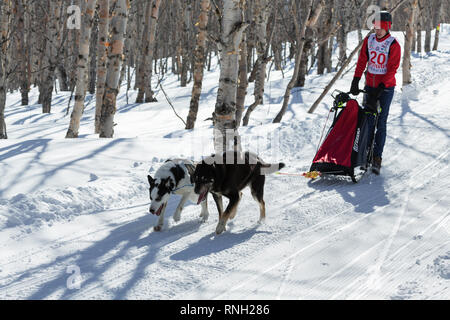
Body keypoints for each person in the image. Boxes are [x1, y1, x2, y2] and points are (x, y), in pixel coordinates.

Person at [350, 11, 401, 175]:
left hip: (385, 89)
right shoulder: (369, 40)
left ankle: (377, 158)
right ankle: (364, 154)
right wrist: (356, 79)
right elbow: (362, 60)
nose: (377, 30)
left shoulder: (393, 44)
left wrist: (381, 86)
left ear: (387, 27)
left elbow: (392, 68)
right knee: (367, 120)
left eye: (380, 27)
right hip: (370, 86)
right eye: (375, 26)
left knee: (381, 122)